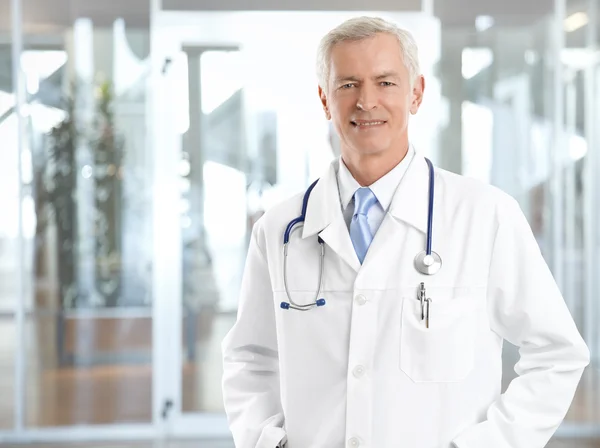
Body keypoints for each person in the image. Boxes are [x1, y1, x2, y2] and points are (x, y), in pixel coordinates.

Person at [221, 16, 590, 448]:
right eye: (348, 85)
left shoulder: (486, 216)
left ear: (416, 93)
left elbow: (557, 353)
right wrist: (267, 441)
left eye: (385, 82)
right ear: (325, 99)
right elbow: (249, 357)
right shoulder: (279, 230)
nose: (366, 101)